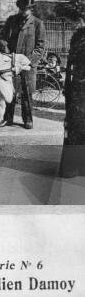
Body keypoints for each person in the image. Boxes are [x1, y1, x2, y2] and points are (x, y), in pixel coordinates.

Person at [0, 0, 46, 129]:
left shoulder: (37, 24)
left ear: (31, 9)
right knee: (9, 91)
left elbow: (40, 46)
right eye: (23, 8)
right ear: (20, 8)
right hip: (11, 64)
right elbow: (0, 37)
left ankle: (28, 120)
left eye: (27, 9)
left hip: (28, 66)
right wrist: (5, 47)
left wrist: (28, 60)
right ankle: (8, 118)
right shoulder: (12, 21)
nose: (25, 11)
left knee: (27, 93)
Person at [59, 9, 85, 177]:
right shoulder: (77, 38)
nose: (74, 24)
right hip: (74, 91)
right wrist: (67, 86)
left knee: (80, 127)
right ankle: (72, 166)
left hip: (82, 92)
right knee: (73, 127)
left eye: (77, 20)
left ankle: (76, 167)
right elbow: (71, 66)